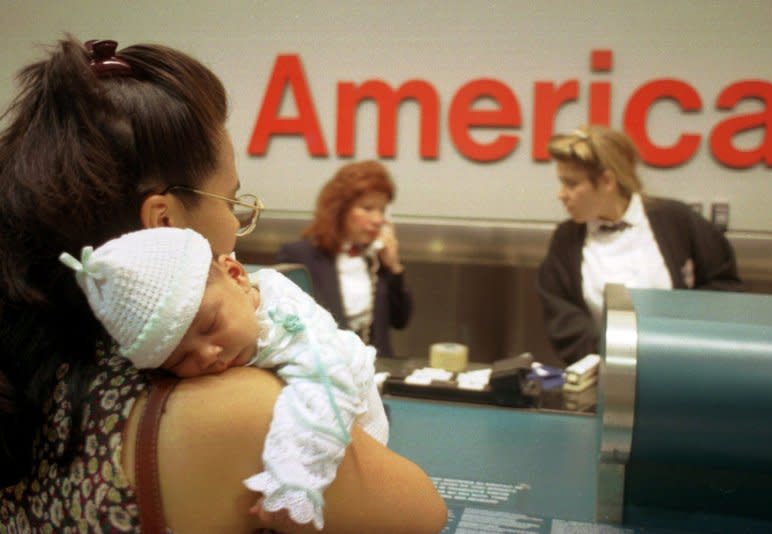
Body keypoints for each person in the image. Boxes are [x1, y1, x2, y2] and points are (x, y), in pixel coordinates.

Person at [0, 36, 447, 533]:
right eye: (230, 203)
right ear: (165, 222)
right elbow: (423, 515)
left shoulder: (28, 375)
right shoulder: (243, 411)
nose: (235, 229)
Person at [59, 226, 389, 530]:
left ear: (236, 275)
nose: (207, 354)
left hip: (356, 419)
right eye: (180, 358)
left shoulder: (292, 327)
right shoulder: (230, 310)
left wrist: (294, 481)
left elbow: (326, 392)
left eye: (210, 326)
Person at [538, 125, 742, 365]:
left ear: (607, 181)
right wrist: (613, 356)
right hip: (606, 374)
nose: (561, 194)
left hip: (683, 368)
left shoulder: (676, 220)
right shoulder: (566, 239)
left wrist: (681, 341)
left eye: (571, 184)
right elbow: (563, 319)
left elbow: (724, 286)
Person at [276, 160, 412, 358]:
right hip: (323, 370)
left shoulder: (375, 259)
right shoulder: (299, 256)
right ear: (340, 209)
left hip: (375, 372)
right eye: (367, 208)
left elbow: (401, 320)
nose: (377, 220)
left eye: (382, 210)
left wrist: (394, 266)